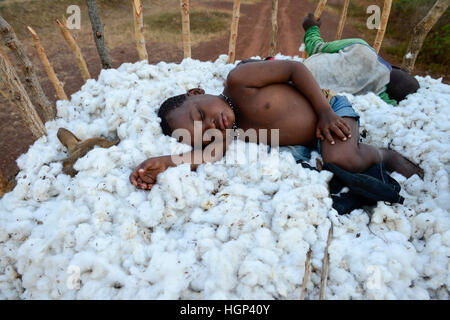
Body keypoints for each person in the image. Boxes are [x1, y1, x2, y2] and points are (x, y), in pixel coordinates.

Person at [129, 59, 423, 190]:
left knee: (343, 159)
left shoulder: (239, 81)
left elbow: (294, 69)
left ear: (196, 93)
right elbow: (209, 155)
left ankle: (386, 155)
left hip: (331, 112)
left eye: (200, 115)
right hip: (309, 142)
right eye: (207, 133)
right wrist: (165, 162)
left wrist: (323, 111)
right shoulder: (231, 133)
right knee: (328, 171)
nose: (212, 125)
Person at [301, 13, 420, 106]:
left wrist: (311, 28)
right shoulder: (377, 96)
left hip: (304, 71)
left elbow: (316, 48)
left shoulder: (362, 47)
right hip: (315, 93)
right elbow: (390, 106)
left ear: (393, 68)